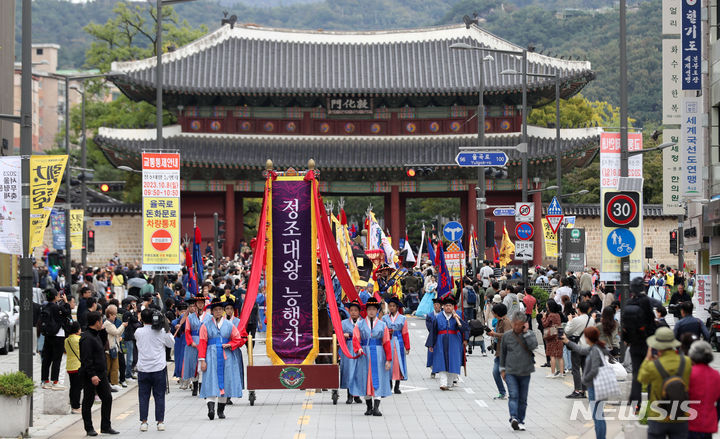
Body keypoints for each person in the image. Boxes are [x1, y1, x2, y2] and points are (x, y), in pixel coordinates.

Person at [637, 326, 691, 438]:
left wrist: (647, 358)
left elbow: (642, 378)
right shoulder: (686, 362)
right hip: (680, 414)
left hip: (658, 416)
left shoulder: (652, 365)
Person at [198, 298, 247, 420]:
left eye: (220, 309)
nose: (218, 312)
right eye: (216, 310)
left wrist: (230, 344)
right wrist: (202, 360)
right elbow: (203, 343)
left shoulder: (229, 325)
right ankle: (211, 409)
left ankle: (221, 410)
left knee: (225, 381)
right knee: (210, 380)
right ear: (212, 312)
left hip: (226, 356)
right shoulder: (205, 325)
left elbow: (238, 339)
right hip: (211, 355)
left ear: (223, 311)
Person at [561, 327, 612, 439]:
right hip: (599, 386)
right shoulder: (596, 347)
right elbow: (581, 350)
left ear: (588, 337)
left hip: (596, 387)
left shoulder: (595, 350)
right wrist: (567, 341)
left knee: (597, 416)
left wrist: (584, 380)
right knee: (599, 415)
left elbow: (594, 370)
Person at [134, 308, 175, 432]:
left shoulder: (138, 332)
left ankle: (144, 422)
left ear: (142, 319)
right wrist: (167, 328)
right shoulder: (161, 332)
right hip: (158, 368)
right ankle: (160, 422)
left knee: (143, 396)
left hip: (143, 369)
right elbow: (171, 344)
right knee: (159, 396)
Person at [79, 311, 119, 436]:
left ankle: (106, 426)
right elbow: (86, 359)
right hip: (91, 375)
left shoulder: (96, 334)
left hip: (101, 374)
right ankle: (89, 428)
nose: (102, 323)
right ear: (97, 322)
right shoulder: (86, 338)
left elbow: (102, 344)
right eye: (101, 321)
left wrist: (102, 331)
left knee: (107, 398)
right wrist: (92, 375)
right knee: (88, 401)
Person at [352, 297, 392, 416]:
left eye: (374, 309)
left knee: (378, 379)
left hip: (379, 354)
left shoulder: (382, 325)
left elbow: (386, 342)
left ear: (377, 311)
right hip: (364, 354)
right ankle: (368, 407)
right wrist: (358, 348)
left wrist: (388, 359)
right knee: (365, 379)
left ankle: (376, 408)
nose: (371, 311)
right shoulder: (359, 324)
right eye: (369, 309)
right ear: (366, 310)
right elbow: (355, 339)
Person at [499, 310, 538, 431]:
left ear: (524, 324)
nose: (516, 327)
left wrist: (526, 333)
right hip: (511, 371)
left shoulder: (529, 334)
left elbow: (534, 346)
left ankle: (521, 420)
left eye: (519, 324)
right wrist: (502, 370)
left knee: (523, 398)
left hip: (525, 371)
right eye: (515, 324)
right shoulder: (507, 336)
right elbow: (503, 353)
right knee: (513, 395)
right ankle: (514, 417)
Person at [622, 277, 657, 411]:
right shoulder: (646, 302)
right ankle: (651, 404)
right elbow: (651, 321)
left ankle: (635, 404)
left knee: (637, 374)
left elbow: (625, 325)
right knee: (649, 373)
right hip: (647, 344)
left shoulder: (629, 302)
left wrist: (628, 340)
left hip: (633, 344)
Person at [428, 294, 467, 391]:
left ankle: (449, 383)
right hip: (440, 340)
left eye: (450, 306)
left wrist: (459, 320)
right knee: (441, 361)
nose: (448, 307)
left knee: (453, 362)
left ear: (453, 307)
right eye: (446, 305)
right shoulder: (438, 317)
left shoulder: (458, 316)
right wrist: (431, 344)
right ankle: (443, 383)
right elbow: (433, 331)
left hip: (454, 341)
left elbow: (465, 329)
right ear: (443, 306)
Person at [687, 340, 720, 439]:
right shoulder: (716, 375)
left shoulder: (689, 373)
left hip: (690, 422)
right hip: (708, 423)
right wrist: (716, 418)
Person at [40, 288, 71, 390]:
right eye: (58, 295)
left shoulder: (45, 306)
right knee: (57, 359)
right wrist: (66, 302)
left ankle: (45, 381)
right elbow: (68, 313)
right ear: (55, 297)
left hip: (48, 334)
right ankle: (55, 382)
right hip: (58, 335)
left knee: (47, 359)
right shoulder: (57, 307)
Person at [565, 301, 596, 399]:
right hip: (587, 347)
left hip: (577, 347)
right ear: (588, 309)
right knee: (585, 368)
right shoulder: (592, 320)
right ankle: (583, 390)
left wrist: (570, 320)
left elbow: (567, 331)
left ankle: (577, 390)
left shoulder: (576, 320)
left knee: (576, 369)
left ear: (578, 309)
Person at [381, 296, 410, 394]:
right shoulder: (384, 318)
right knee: (388, 362)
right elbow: (382, 330)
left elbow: (405, 332)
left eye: (393, 306)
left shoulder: (402, 318)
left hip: (399, 342)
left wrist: (407, 346)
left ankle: (397, 385)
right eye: (390, 306)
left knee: (398, 364)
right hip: (388, 341)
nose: (392, 308)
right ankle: (389, 384)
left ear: (397, 307)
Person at [183, 295, 208, 396]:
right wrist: (191, 342)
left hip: (204, 343)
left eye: (202, 302)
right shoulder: (190, 317)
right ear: (196, 304)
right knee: (193, 365)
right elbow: (187, 331)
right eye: (198, 303)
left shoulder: (209, 317)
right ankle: (195, 385)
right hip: (193, 343)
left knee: (203, 364)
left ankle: (202, 387)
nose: (200, 304)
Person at [341, 300, 364, 404]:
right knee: (349, 371)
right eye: (351, 310)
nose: (353, 312)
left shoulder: (363, 323)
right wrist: (343, 336)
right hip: (349, 348)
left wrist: (351, 335)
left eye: (356, 310)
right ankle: (349, 395)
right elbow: (339, 336)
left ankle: (357, 395)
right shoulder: (344, 323)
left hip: (359, 348)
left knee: (359, 372)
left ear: (359, 312)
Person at [486, 302, 511, 399]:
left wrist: (494, 334)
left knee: (503, 374)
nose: (492, 313)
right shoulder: (499, 321)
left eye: (493, 311)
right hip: (499, 351)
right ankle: (503, 392)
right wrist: (492, 334)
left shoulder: (506, 322)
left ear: (498, 312)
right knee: (496, 373)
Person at [102, 305, 126, 391]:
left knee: (115, 367)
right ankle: (108, 383)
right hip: (109, 349)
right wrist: (123, 326)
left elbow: (117, 334)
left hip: (114, 348)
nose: (115, 316)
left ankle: (114, 383)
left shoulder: (110, 323)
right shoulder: (107, 324)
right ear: (110, 315)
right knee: (108, 367)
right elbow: (116, 332)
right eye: (114, 315)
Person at [541, 301, 564, 378]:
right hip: (560, 333)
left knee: (552, 355)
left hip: (553, 335)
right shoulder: (558, 314)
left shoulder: (551, 315)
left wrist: (543, 317)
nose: (547, 308)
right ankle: (561, 373)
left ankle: (552, 373)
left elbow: (545, 324)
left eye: (547, 307)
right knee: (560, 355)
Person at [64, 321, 82, 414]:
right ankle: (76, 407)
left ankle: (73, 405)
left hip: (70, 366)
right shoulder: (78, 339)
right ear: (78, 329)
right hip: (77, 365)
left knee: (73, 386)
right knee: (77, 387)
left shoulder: (66, 340)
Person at [121, 297, 139, 381]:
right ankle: (128, 375)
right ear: (128, 305)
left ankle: (128, 374)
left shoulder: (123, 312)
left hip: (126, 336)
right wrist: (135, 311)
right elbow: (135, 320)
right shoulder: (128, 313)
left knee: (129, 356)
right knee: (130, 357)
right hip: (129, 336)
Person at [170, 302, 188, 382]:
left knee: (186, 358)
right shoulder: (174, 322)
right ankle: (179, 375)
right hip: (178, 341)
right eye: (182, 312)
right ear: (178, 312)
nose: (183, 314)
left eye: (185, 312)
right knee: (178, 359)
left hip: (187, 340)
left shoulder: (190, 320)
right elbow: (173, 332)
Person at [424, 298, 442, 378]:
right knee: (431, 353)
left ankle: (440, 369)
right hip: (432, 336)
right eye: (435, 305)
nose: (436, 306)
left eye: (438, 305)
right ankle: (433, 370)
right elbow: (429, 327)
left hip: (441, 336)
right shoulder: (430, 315)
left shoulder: (443, 314)